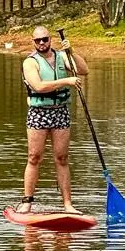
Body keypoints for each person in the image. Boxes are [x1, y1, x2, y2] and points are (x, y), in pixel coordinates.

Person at [18, 26, 89, 214]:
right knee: (34, 157)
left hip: (60, 112)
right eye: (38, 40)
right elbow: (39, 86)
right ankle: (27, 202)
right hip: (39, 112)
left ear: (50, 40)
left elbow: (83, 70)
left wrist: (71, 51)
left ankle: (67, 204)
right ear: (33, 42)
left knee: (62, 157)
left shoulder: (62, 57)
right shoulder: (30, 62)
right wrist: (66, 81)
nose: (42, 43)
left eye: (45, 39)